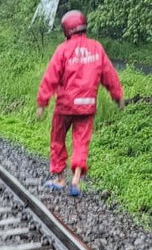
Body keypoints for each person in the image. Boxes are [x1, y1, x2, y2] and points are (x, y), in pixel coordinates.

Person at [36, 10, 124, 197]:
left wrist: (42, 102)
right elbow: (109, 75)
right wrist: (117, 96)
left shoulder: (63, 50)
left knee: (57, 139)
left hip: (65, 105)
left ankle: (60, 179)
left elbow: (51, 77)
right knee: (81, 142)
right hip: (87, 105)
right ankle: (76, 179)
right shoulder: (96, 48)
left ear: (67, 29)